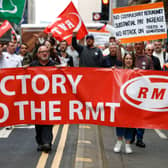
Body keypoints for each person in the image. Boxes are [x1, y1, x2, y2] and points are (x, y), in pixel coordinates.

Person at [30, 45, 56, 153]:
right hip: (37, 100)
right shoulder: (33, 65)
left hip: (50, 100)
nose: (44, 53)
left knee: (48, 122)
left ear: (49, 53)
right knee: (39, 123)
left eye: (46, 51)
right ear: (38, 54)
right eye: (42, 52)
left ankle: (47, 142)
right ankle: (40, 142)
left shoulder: (54, 65)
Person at [131, 41, 153, 148]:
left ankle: (139, 138)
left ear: (143, 46)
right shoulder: (130, 57)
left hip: (143, 93)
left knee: (141, 116)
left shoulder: (148, 59)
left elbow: (153, 75)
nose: (138, 46)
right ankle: (131, 135)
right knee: (130, 114)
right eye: (136, 44)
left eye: (140, 44)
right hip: (131, 92)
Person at [113, 53, 135, 154]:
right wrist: (111, 70)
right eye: (126, 58)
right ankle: (119, 142)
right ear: (124, 60)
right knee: (120, 122)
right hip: (121, 100)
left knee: (131, 122)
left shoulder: (137, 71)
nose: (128, 60)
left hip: (133, 101)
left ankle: (127, 144)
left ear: (133, 60)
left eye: (130, 58)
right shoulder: (118, 71)